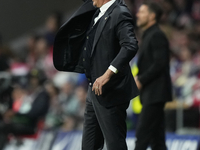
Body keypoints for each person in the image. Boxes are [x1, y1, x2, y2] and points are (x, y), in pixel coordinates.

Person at [53, 0, 138, 149]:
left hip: (111, 90)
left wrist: (107, 74)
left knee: (114, 144)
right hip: (93, 89)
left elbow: (130, 45)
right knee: (89, 145)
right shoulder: (98, 13)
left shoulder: (120, 12)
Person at [134, 2, 172, 150]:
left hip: (155, 93)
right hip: (152, 93)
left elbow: (160, 63)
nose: (137, 14)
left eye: (142, 12)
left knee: (142, 136)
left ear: (152, 16)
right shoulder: (149, 34)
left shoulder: (156, 35)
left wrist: (141, 79)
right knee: (157, 140)